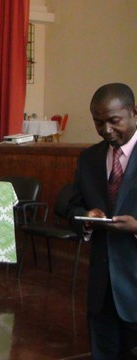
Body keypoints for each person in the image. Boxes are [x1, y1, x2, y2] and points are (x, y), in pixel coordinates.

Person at [67, 82, 137, 359]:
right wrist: (85, 220)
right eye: (98, 122)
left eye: (113, 120)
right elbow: (72, 207)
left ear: (134, 112)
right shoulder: (89, 158)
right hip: (101, 287)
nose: (106, 130)